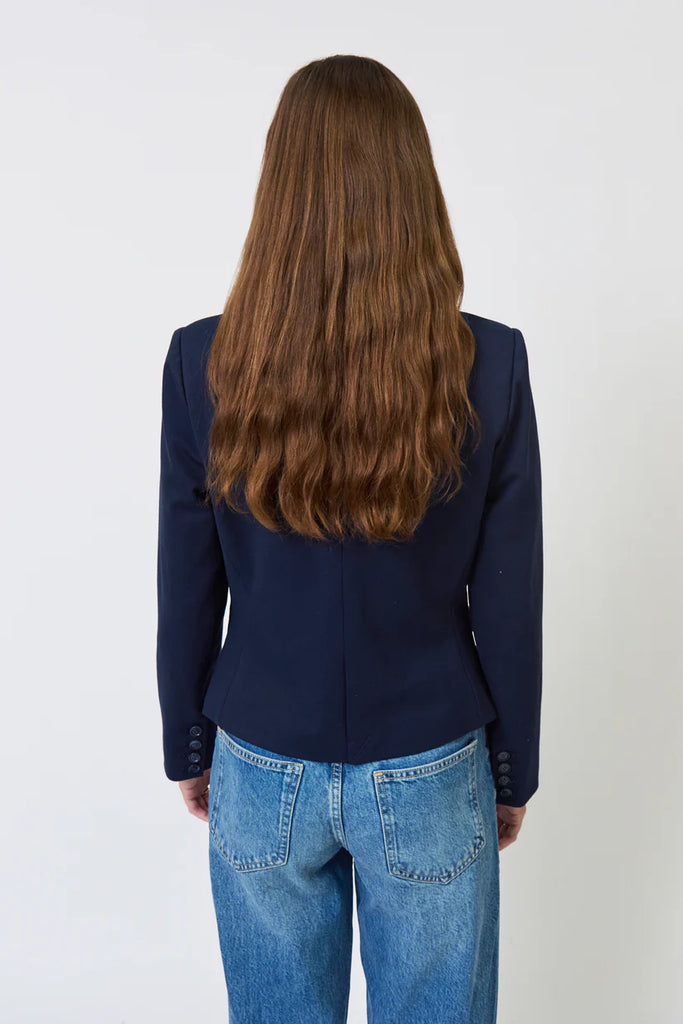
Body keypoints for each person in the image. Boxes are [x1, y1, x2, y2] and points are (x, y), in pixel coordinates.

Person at [156, 54, 543, 1024]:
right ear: (413, 187)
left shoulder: (204, 360)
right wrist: (510, 769)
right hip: (430, 753)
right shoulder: (488, 362)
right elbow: (509, 594)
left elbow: (187, 579)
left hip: (259, 753)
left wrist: (188, 742)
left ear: (278, 188)